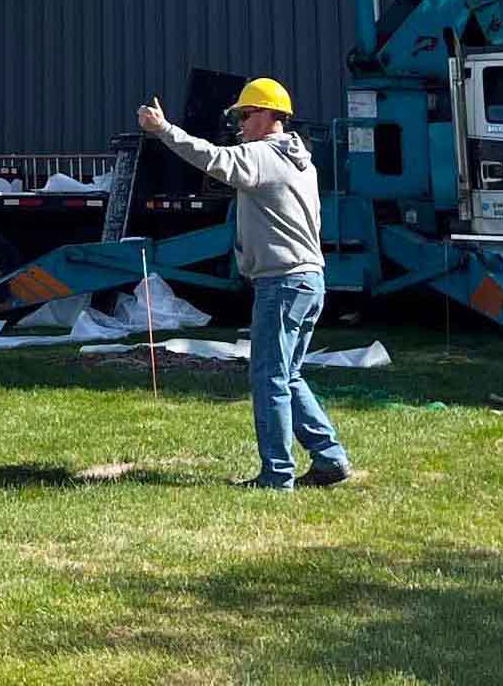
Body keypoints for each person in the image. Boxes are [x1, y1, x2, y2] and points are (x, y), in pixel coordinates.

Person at [136, 79, 355, 491]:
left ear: (271, 116)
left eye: (246, 114)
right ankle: (329, 459)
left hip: (282, 283)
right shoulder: (302, 161)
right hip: (309, 280)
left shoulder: (263, 155)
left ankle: (277, 475)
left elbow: (212, 158)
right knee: (288, 375)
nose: (240, 123)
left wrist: (163, 129)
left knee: (269, 378)